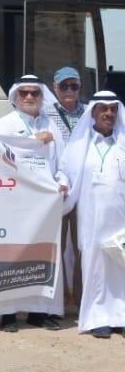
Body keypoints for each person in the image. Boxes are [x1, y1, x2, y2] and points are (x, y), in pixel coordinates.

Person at [0, 76, 68, 332]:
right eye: (23, 93)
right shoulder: (6, 123)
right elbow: (0, 156)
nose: (29, 97)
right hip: (16, 200)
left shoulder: (52, 124)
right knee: (13, 255)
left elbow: (62, 162)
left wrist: (62, 181)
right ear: (15, 96)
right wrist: (35, 140)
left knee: (43, 255)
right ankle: (9, 314)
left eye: (34, 93)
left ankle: (39, 312)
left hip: (45, 203)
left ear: (42, 96)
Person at [60, 91, 125, 338]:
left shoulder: (123, 142)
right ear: (93, 112)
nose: (109, 113)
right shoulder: (79, 145)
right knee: (94, 265)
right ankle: (99, 318)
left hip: (120, 218)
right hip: (91, 218)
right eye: (103, 109)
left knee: (120, 265)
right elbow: (65, 171)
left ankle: (120, 316)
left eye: (113, 109)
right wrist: (62, 183)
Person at [48, 66, 86, 310]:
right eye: (64, 86)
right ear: (55, 88)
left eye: (74, 85)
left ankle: (81, 299)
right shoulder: (45, 114)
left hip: (85, 188)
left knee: (83, 244)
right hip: (57, 188)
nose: (69, 90)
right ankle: (59, 300)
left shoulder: (90, 112)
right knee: (57, 245)